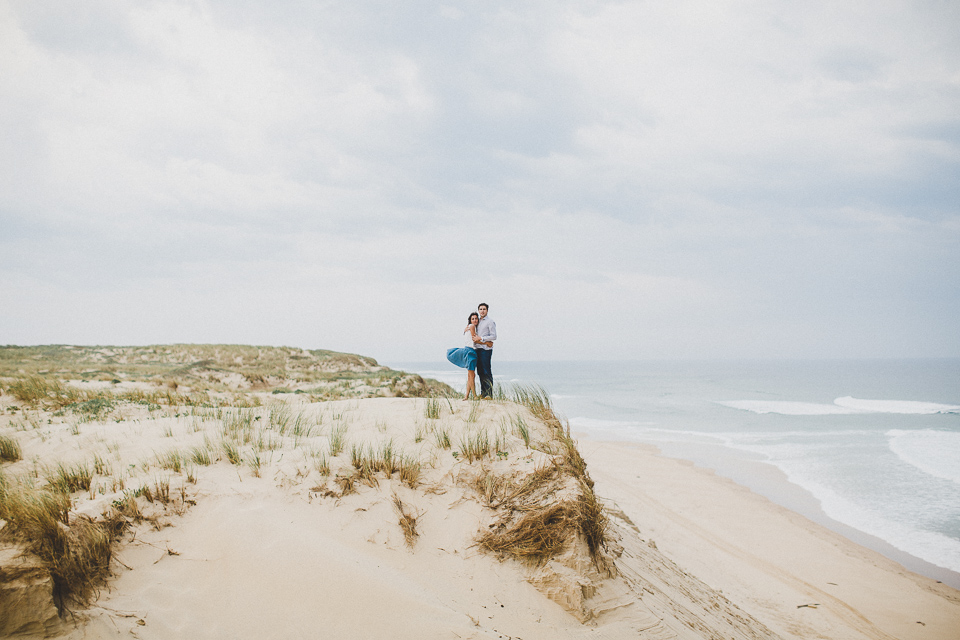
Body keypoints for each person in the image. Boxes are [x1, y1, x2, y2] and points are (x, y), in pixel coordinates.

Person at [446, 312, 481, 400]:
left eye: (476, 318)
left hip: (469, 351)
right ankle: (474, 396)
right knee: (471, 375)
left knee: (470, 375)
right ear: (470, 320)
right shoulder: (472, 326)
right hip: (470, 352)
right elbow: (475, 339)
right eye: (473, 319)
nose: (475, 320)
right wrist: (485, 342)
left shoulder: (469, 327)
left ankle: (466, 396)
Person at [474, 303, 496, 398]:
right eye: (481, 309)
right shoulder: (477, 321)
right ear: (478, 310)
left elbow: (494, 336)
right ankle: (483, 393)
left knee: (486, 371)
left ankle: (489, 394)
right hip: (477, 349)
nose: (482, 311)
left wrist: (482, 339)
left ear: (487, 310)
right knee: (480, 372)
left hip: (486, 350)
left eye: (484, 309)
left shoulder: (490, 322)